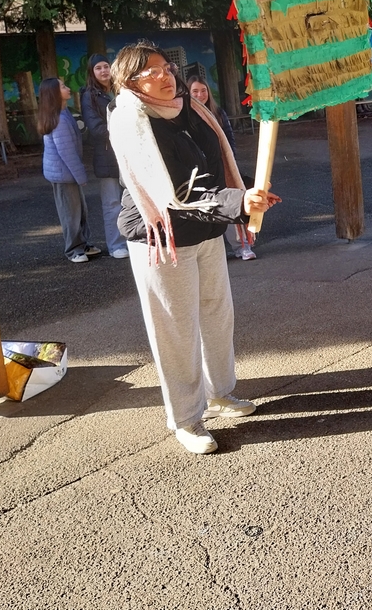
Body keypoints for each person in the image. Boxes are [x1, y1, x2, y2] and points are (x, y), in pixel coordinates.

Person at [108, 41, 280, 454]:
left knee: (217, 315)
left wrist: (246, 193)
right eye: (153, 72)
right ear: (130, 82)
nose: (166, 77)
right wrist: (238, 202)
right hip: (162, 237)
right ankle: (186, 418)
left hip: (206, 231)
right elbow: (177, 193)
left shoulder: (191, 108)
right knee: (175, 330)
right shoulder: (131, 121)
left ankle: (220, 393)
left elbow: (214, 166)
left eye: (167, 68)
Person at [189, 76, 255, 261]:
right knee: (205, 207)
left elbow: (229, 139)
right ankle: (208, 252)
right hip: (197, 170)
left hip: (220, 165)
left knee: (231, 202)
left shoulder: (217, 112)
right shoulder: (183, 114)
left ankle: (242, 246)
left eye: (203, 90)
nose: (200, 95)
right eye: (195, 91)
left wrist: (228, 161)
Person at [37, 77, 101, 264]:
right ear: (54, 94)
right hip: (63, 175)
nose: (68, 89)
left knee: (80, 211)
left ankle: (83, 244)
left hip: (67, 174)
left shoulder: (63, 113)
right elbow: (67, 152)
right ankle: (73, 250)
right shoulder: (59, 120)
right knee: (70, 214)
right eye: (63, 87)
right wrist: (81, 176)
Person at [80, 54, 128, 259]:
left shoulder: (120, 89)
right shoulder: (89, 96)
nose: (103, 71)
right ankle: (116, 246)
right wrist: (124, 128)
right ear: (92, 72)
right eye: (98, 68)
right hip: (106, 156)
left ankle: (134, 240)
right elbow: (96, 128)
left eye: (106, 66)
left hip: (127, 154)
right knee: (112, 203)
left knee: (132, 201)